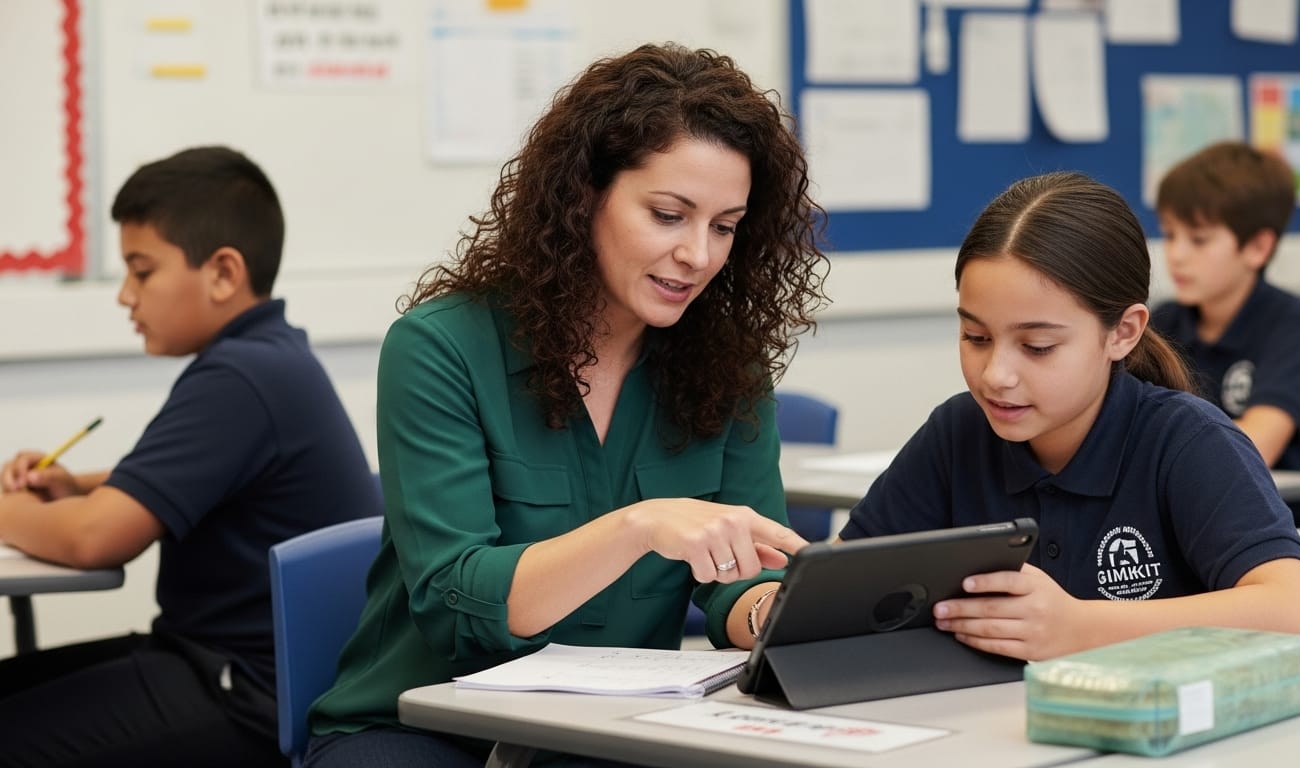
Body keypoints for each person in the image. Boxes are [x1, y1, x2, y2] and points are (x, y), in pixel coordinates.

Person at [305, 43, 826, 766]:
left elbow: (745, 581)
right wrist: (639, 526)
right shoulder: (440, 347)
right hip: (422, 727)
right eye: (669, 214)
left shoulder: (726, 368)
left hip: (612, 733)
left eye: (725, 226)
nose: (699, 255)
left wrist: (774, 613)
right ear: (584, 196)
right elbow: (455, 598)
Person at [837, 172, 1300, 664]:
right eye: (976, 338)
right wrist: (764, 603)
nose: (996, 376)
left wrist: (1078, 626)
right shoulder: (957, 433)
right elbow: (834, 586)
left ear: (1123, 332)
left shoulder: (1188, 441)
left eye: (1038, 346)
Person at [0, 146, 381, 767]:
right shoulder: (269, 355)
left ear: (223, 273)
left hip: (248, 694)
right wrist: (79, 487)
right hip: (225, 664)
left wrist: (4, 509)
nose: (126, 295)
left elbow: (99, 540)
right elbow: (179, 485)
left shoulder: (241, 375)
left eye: (141, 270)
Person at [1150, 141, 1300, 525]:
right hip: (1201, 519)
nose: (1176, 254)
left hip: (1297, 530)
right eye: (1170, 235)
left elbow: (1253, 447)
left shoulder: (1294, 325)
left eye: (1199, 239)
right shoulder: (1164, 323)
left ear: (1257, 247)